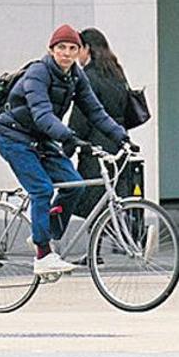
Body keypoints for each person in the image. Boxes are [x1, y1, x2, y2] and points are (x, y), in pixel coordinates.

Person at [0, 24, 134, 275]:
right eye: (61, 48)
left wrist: (122, 137)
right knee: (42, 189)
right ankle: (43, 255)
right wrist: (68, 136)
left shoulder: (76, 76)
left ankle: (45, 234)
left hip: (40, 138)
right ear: (51, 49)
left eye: (72, 48)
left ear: (80, 50)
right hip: (13, 136)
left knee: (75, 184)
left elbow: (95, 111)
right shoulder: (39, 73)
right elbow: (41, 113)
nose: (67, 53)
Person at [68, 28, 135, 219]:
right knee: (115, 197)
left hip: (96, 148)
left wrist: (68, 145)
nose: (76, 55)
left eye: (78, 48)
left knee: (87, 202)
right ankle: (125, 240)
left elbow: (80, 118)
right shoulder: (116, 73)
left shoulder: (87, 77)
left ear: (87, 48)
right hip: (117, 143)